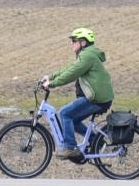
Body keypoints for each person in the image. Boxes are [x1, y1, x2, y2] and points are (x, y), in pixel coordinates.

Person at [40, 27, 113, 159]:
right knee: (72, 119)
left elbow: (72, 74)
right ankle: (95, 140)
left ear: (83, 43)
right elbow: (70, 68)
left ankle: (70, 148)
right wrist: (50, 77)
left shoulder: (87, 56)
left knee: (64, 113)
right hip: (98, 97)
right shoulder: (86, 54)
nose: (71, 43)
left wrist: (52, 84)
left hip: (97, 99)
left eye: (74, 40)